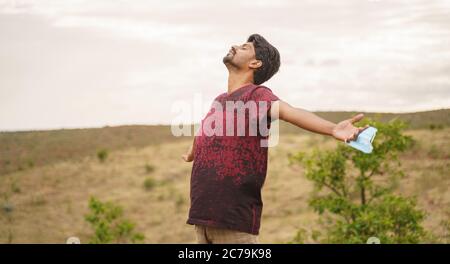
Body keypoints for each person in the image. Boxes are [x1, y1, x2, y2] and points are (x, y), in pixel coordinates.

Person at [182, 33, 368, 244]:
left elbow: (290, 112)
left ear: (255, 63)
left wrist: (333, 128)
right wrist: (193, 151)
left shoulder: (257, 95)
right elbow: (207, 130)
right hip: (202, 220)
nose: (235, 46)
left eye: (244, 47)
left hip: (233, 221)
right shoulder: (220, 100)